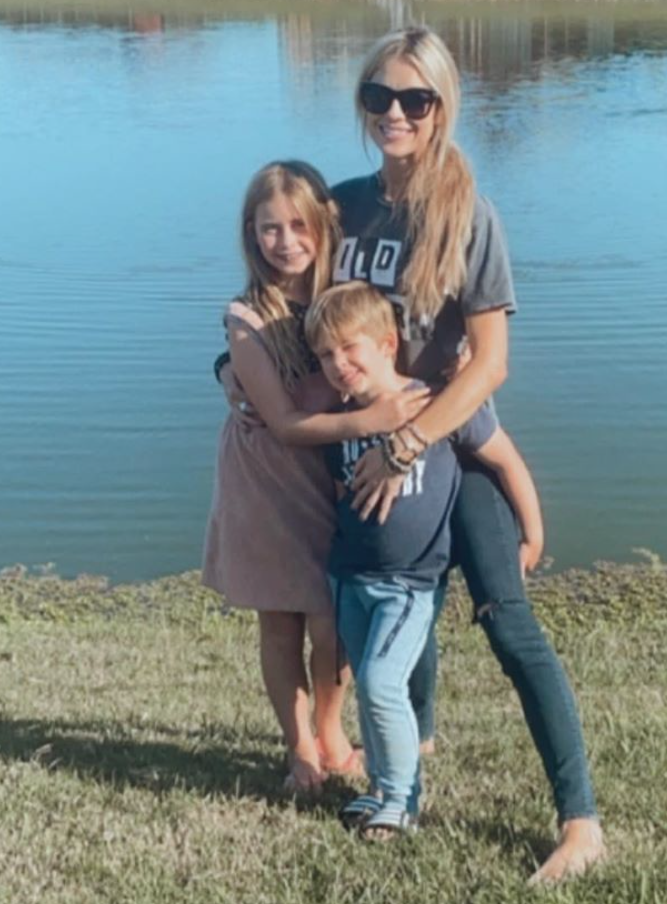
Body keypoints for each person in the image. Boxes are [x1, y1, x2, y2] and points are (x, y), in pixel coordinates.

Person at [330, 27, 607, 880]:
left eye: (416, 99)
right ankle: (420, 733)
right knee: (385, 593)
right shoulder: (341, 205)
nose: (396, 113)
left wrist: (410, 437)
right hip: (360, 453)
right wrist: (236, 357)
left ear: (444, 106)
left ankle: (581, 822)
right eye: (381, 96)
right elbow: (283, 300)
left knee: (510, 624)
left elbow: (490, 362)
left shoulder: (468, 216)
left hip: (453, 453)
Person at [202, 161, 427, 794]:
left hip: (336, 478)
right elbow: (284, 422)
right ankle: (300, 745)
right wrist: (374, 421)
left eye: (299, 225)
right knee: (281, 619)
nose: (286, 241)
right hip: (267, 479)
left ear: (325, 226)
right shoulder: (246, 316)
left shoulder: (347, 297)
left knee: (337, 616)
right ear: (250, 234)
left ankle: (331, 728)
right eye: (269, 228)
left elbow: (395, 348)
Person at [304, 280, 544, 839]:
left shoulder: (440, 404)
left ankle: (405, 799)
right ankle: (385, 787)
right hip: (351, 581)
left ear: (388, 344)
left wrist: (531, 533)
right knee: (369, 684)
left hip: (411, 585)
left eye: (349, 348)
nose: (337, 364)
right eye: (324, 355)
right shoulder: (341, 423)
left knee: (385, 683)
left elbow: (507, 462)